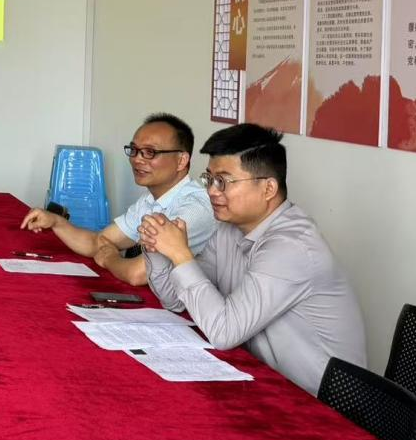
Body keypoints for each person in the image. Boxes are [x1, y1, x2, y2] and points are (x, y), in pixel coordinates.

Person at [140, 123, 366, 395]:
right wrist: (156, 246)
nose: (212, 191)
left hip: (319, 405)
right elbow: (175, 301)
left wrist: (180, 254)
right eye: (209, 179)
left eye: (223, 181)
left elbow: (223, 333)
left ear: (268, 188)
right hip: (264, 383)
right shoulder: (228, 230)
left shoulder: (292, 247)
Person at [20, 113, 215, 284]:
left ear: (181, 160)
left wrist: (109, 259)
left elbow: (138, 274)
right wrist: (56, 222)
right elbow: (99, 240)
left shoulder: (195, 207)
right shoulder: (150, 199)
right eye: (134, 150)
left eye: (150, 152)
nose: (137, 159)